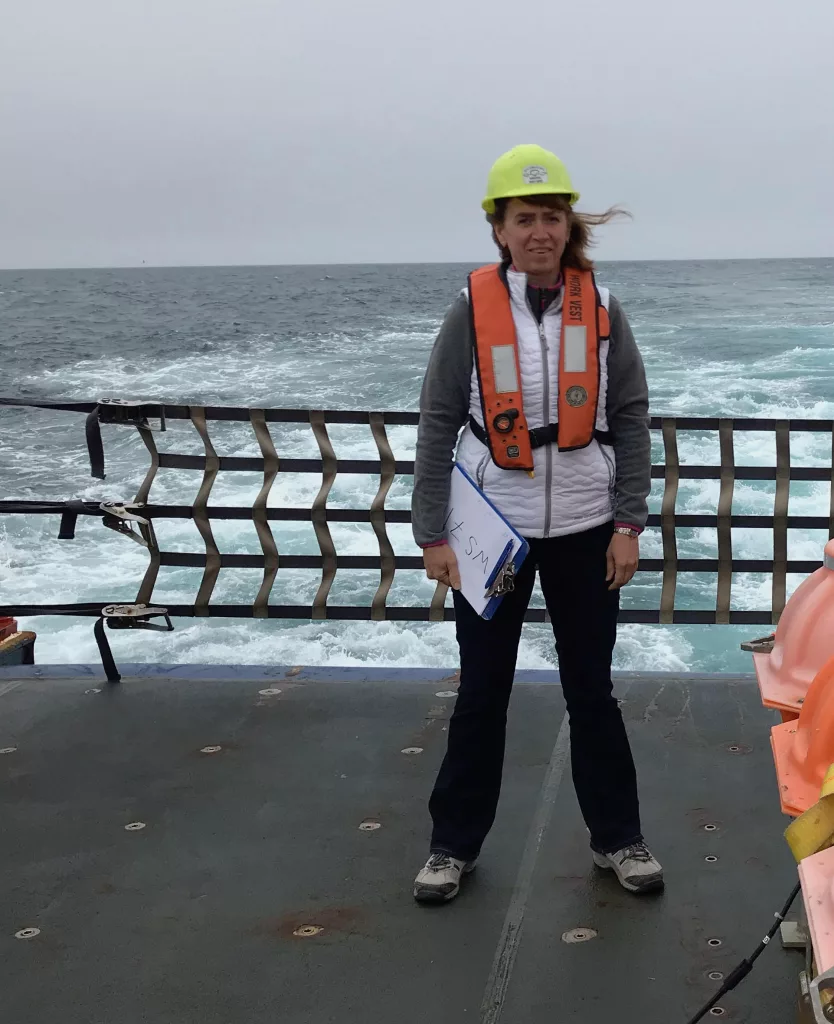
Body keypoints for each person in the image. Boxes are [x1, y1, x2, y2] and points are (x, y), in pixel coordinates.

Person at [410, 144, 662, 903]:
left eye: (551, 216)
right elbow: (438, 420)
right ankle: (451, 848)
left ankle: (619, 838)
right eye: (524, 219)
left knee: (592, 689)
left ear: (568, 225)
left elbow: (630, 417)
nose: (539, 231)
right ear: (500, 229)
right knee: (482, 691)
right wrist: (433, 536)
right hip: (498, 528)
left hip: (588, 525)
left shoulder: (605, 309)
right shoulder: (470, 310)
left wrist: (629, 524)